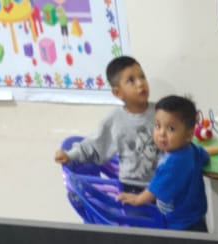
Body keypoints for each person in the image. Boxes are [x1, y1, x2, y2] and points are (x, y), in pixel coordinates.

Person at [54, 55, 159, 191]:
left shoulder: (161, 112)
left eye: (142, 77)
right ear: (118, 92)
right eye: (131, 80)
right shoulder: (115, 120)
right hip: (132, 188)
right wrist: (69, 155)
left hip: (163, 186)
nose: (140, 83)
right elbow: (94, 146)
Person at [119, 95, 211, 232]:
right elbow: (204, 156)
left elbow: (155, 188)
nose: (161, 133)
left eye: (171, 128)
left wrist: (138, 199)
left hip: (181, 225)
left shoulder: (175, 162)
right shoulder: (189, 148)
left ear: (188, 134)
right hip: (194, 216)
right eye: (157, 125)